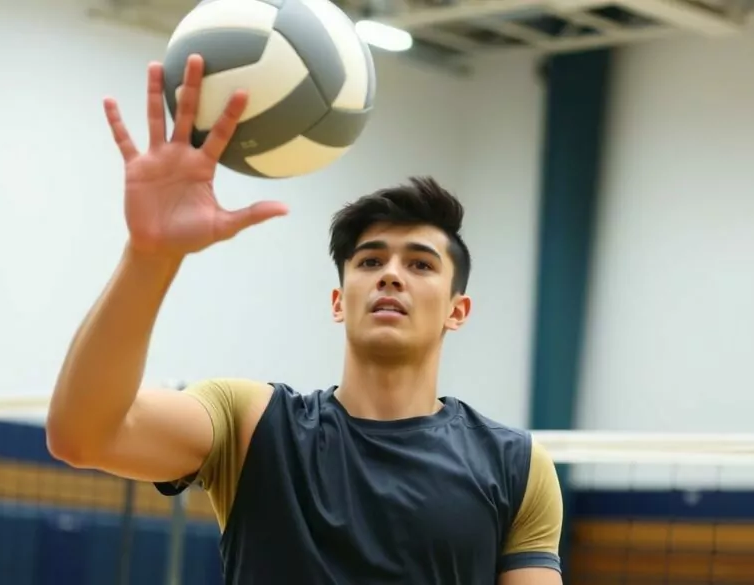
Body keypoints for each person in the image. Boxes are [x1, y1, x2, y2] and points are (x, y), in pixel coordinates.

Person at [46, 54, 564, 585]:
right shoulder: (251, 422)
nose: (390, 275)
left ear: (457, 311)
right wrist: (150, 256)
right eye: (369, 261)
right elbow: (84, 436)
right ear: (339, 300)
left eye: (420, 264)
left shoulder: (516, 465)